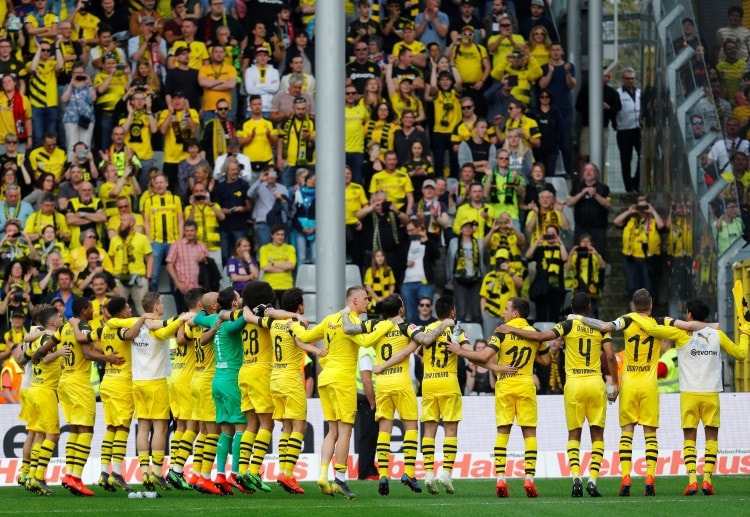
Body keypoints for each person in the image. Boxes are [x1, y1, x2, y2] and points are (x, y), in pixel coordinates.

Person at [625, 298, 749, 496]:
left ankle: (692, 481)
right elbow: (741, 354)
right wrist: (746, 331)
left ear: (689, 315)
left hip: (689, 394)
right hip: (711, 393)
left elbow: (653, 330)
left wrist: (633, 316)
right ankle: (707, 480)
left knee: (689, 439)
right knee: (711, 438)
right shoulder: (717, 335)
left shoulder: (681, 334)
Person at [500, 292, 619, 497]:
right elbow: (609, 356)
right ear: (589, 308)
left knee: (574, 434)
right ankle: (592, 480)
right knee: (597, 434)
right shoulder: (602, 327)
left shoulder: (567, 325)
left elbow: (539, 337)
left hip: (573, 384)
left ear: (572, 308)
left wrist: (510, 328)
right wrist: (615, 383)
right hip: (595, 382)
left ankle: (575, 478)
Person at [290, 286, 392, 498]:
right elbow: (364, 341)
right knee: (345, 431)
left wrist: (294, 326)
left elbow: (307, 335)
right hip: (343, 381)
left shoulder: (330, 319)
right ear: (354, 300)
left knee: (333, 431)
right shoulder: (352, 320)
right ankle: (341, 480)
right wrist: (386, 325)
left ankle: (322, 474)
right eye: (365, 299)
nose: (368, 302)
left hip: (325, 379)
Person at [448, 296, 549, 498]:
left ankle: (501, 478)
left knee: (503, 433)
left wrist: (460, 351)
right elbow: (545, 361)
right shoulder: (534, 333)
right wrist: (530, 352)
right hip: (525, 383)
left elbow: (484, 356)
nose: (503, 312)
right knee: (530, 434)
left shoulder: (501, 331)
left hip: (504, 384)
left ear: (515, 313)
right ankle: (529, 478)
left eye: (506, 309)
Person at [33, 297, 122, 496]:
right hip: (79, 383)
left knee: (75, 431)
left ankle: (70, 475)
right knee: (86, 431)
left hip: (65, 382)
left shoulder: (64, 328)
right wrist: (108, 358)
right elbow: (88, 353)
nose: (93, 311)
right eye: (91, 308)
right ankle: (76, 478)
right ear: (84, 311)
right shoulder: (81, 325)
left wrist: (37, 355)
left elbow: (45, 348)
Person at [365, 293, 451, 496]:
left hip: (383, 383)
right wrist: (444, 323)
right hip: (402, 383)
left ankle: (384, 474)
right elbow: (427, 339)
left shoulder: (377, 327)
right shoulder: (408, 327)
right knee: (411, 428)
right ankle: (409, 473)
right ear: (401, 310)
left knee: (384, 431)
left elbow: (353, 331)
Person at [108, 292, 187, 491]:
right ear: (155, 307)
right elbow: (167, 332)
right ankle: (157, 473)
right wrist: (181, 319)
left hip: (138, 381)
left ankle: (144, 472)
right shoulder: (158, 327)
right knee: (160, 428)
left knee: (143, 427)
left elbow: (112, 323)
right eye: (161, 303)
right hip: (156, 382)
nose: (162, 305)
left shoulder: (134, 322)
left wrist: (142, 319)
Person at [85, 297, 153, 492]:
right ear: (123, 313)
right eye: (128, 308)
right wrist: (142, 318)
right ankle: (116, 474)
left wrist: (104, 354)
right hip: (122, 383)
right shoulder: (120, 328)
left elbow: (85, 339)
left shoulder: (105, 329)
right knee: (122, 429)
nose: (131, 310)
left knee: (111, 429)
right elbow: (130, 335)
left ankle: (104, 473)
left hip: (108, 381)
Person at [269, 288, 327, 494]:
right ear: (300, 306)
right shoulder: (296, 323)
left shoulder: (274, 322)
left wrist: (314, 350)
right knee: (299, 427)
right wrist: (319, 344)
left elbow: (297, 341)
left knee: (286, 427)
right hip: (290, 379)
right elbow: (301, 338)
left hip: (274, 378)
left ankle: (282, 472)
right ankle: (289, 474)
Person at [413, 296, 466, 494]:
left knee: (429, 431)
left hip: (429, 383)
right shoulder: (457, 330)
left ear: (436, 312)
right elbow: (466, 351)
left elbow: (415, 350)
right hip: (449, 382)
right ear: (452, 313)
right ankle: (446, 473)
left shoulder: (426, 330)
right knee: (450, 430)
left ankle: (428, 473)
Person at [613, 196, 664, 302]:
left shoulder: (653, 221)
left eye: (644, 206)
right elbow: (616, 222)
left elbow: (661, 225)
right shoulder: (631, 220)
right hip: (631, 259)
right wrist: (629, 211)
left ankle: (647, 314)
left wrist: (652, 210)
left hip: (648, 260)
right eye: (640, 206)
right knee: (632, 287)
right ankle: (634, 313)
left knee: (649, 288)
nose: (642, 209)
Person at [143, 173, 184, 293]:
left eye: (161, 182)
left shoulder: (175, 199)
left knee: (175, 276)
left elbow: (180, 220)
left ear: (167, 184)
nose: (159, 185)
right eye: (157, 183)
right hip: (156, 242)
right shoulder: (149, 201)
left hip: (173, 241)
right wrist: (149, 239)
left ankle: (177, 306)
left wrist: (180, 239)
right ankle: (153, 304)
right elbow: (146, 221)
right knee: (154, 275)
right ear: (153, 185)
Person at [108, 213, 153, 315]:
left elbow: (149, 257)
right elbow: (111, 257)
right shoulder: (114, 240)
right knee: (118, 310)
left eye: (124, 220)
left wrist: (148, 276)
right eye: (121, 220)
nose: (121, 223)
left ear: (132, 223)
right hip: (119, 278)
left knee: (144, 309)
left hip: (138, 278)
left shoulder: (142, 238)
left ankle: (148, 330)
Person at [567, 163, 612, 258]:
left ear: (596, 173)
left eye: (591, 170)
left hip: (598, 228)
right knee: (579, 255)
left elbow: (607, 204)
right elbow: (569, 203)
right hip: (581, 227)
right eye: (586, 170)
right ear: (583, 173)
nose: (588, 172)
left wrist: (595, 195)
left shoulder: (603, 188)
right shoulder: (577, 186)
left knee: (599, 255)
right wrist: (581, 193)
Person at [526, 225, 568, 322]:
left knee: (555, 317)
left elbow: (565, 258)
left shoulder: (561, 248)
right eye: (548, 233)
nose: (550, 236)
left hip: (556, 288)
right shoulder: (540, 249)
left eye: (553, 234)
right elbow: (528, 255)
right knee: (541, 316)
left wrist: (560, 242)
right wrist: (537, 241)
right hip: (541, 287)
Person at [446, 218, 485, 323]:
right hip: (459, 278)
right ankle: (459, 335)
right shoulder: (454, 242)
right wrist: (450, 277)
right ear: (460, 229)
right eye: (465, 227)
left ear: (473, 229)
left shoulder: (479, 242)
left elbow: (483, 261)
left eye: (469, 227)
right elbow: (449, 260)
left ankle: (479, 337)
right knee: (460, 310)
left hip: (475, 278)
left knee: (476, 309)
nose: (467, 229)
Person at [166, 220, 208, 313]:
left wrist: (204, 259)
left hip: (199, 288)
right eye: (187, 231)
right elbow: (169, 264)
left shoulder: (202, 246)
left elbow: (208, 266)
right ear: (184, 232)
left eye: (192, 230)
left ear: (196, 231)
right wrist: (177, 283)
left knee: (200, 316)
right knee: (183, 316)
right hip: (183, 288)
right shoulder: (177, 245)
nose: (189, 233)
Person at [480, 248, 523, 339]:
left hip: (509, 315)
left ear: (508, 261)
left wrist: (509, 271)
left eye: (503, 259)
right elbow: (483, 296)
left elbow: (520, 284)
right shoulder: (489, 276)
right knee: (489, 341)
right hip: (491, 315)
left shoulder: (514, 273)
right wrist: (483, 313)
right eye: (498, 259)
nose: (500, 262)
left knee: (510, 340)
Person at [615, 68, 641, 193]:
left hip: (638, 130)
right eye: (628, 78)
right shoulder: (618, 93)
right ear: (623, 79)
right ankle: (628, 187)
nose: (631, 81)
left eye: (632, 78)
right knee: (626, 160)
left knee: (642, 157)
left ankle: (636, 182)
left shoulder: (639, 92)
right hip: (624, 131)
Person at [258, 224, 296, 303]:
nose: (280, 237)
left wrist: (272, 264)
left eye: (282, 234)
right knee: (269, 313)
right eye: (277, 234)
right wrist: (284, 267)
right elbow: (265, 268)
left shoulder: (290, 248)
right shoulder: (264, 249)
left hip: (287, 285)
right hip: (270, 286)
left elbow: (291, 266)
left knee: (286, 314)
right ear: (272, 235)